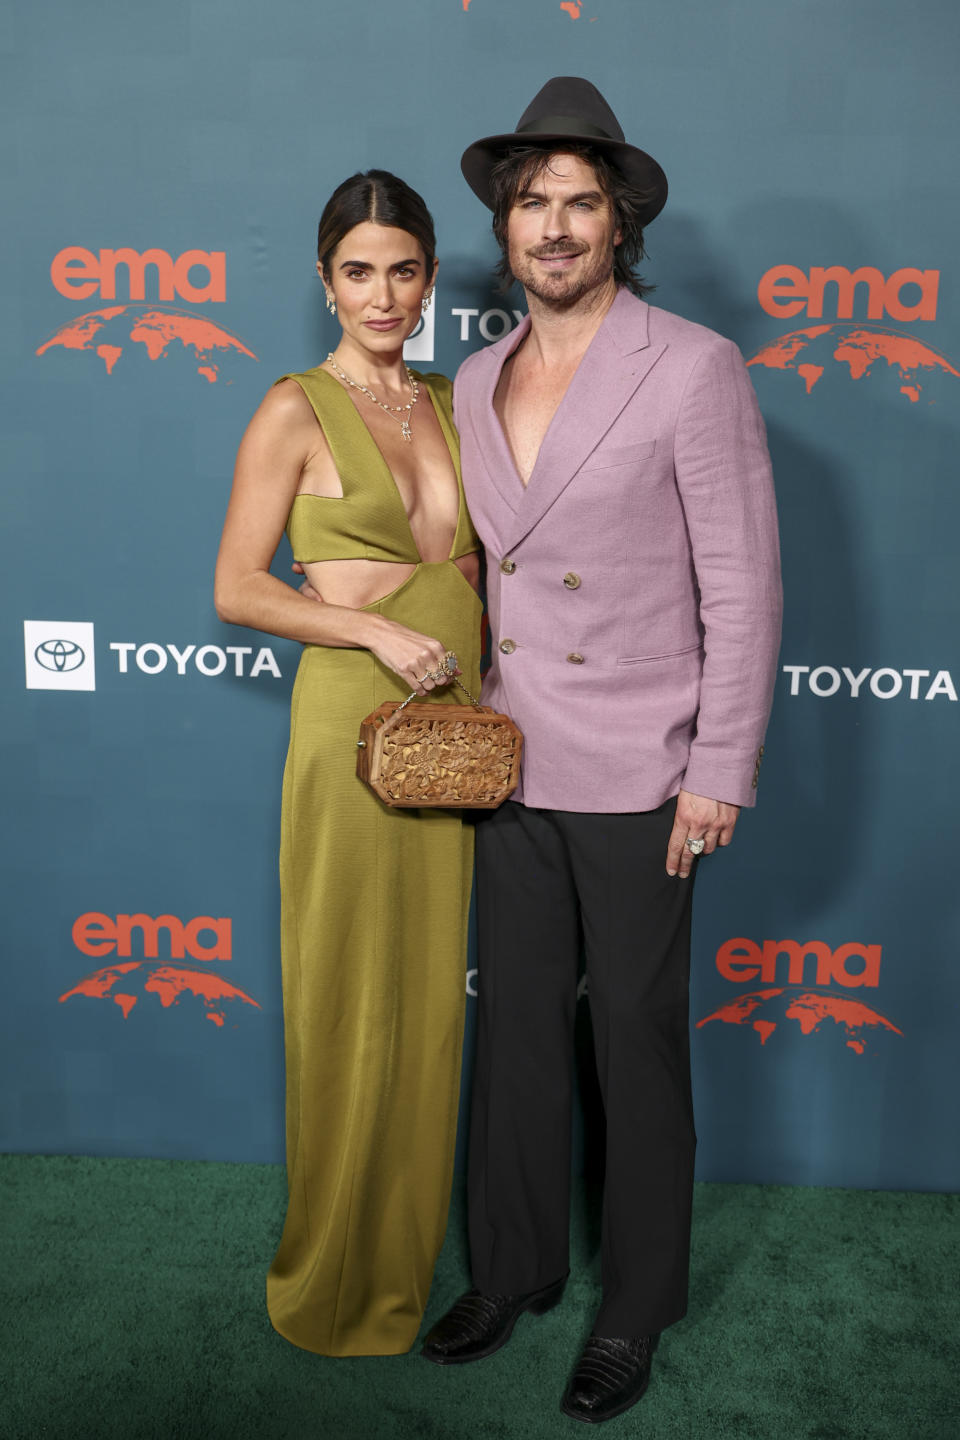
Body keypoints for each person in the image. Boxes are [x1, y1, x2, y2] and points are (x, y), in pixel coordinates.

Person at [420, 78, 783, 1423]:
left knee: (632, 1040)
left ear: (620, 225)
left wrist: (719, 769)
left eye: (580, 203)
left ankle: (635, 1306)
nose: (555, 227)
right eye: (532, 204)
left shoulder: (691, 365)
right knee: (514, 1030)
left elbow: (744, 587)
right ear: (504, 229)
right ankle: (510, 1269)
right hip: (513, 763)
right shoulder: (472, 374)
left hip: (646, 766)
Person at [214, 170, 482, 1356]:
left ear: (430, 277)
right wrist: (373, 625)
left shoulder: (450, 401)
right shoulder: (292, 409)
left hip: (460, 742)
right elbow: (236, 587)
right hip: (350, 736)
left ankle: (401, 1266)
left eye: (406, 269)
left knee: (428, 1010)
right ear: (325, 280)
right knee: (344, 1005)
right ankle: (328, 1278)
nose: (385, 294)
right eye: (360, 271)